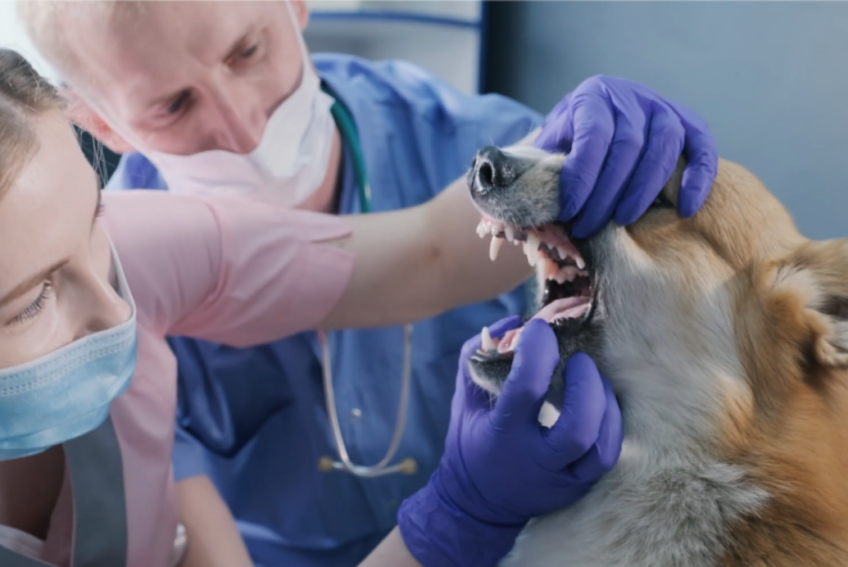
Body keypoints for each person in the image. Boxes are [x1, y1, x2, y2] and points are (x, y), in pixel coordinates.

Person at [18, 1, 719, 565]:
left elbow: (431, 251)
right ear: (102, 124)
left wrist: (568, 160)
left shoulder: (145, 251)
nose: (243, 128)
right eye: (172, 105)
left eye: (247, 52)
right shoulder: (116, 307)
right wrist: (456, 516)